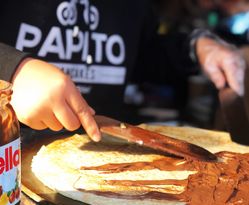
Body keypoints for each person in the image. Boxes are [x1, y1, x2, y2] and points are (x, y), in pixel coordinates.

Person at [0, 0, 246, 142]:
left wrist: (196, 47)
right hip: (11, 171)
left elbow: (142, 55)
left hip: (100, 162)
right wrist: (12, 69)